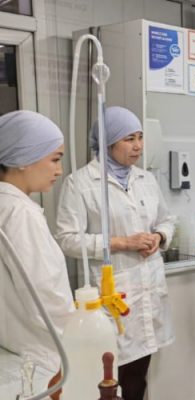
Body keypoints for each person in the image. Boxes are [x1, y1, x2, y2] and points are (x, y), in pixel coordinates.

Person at [55, 106, 176, 400]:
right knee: (106, 378)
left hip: (146, 291)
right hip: (110, 296)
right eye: (129, 139)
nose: (138, 146)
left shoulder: (145, 179)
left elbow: (167, 219)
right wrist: (122, 243)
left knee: (137, 379)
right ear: (107, 143)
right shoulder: (80, 183)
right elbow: (67, 239)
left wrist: (159, 237)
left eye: (140, 137)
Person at [0, 111, 74, 392]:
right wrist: (85, 330)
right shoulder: (21, 214)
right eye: (55, 159)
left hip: (12, 349)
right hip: (43, 358)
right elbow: (46, 297)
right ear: (23, 158)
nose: (60, 170)